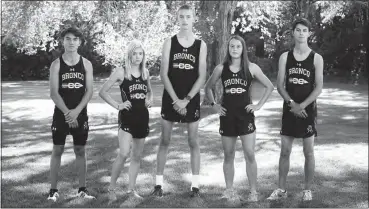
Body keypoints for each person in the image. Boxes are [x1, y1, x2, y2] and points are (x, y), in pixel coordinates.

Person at [204, 35, 274, 203]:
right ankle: (229, 190)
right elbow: (208, 87)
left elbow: (270, 86)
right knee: (228, 154)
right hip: (227, 116)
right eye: (231, 46)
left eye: (237, 47)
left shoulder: (251, 67)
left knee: (250, 154)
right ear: (228, 49)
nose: (234, 49)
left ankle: (253, 192)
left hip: (245, 116)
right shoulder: (221, 69)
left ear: (243, 49)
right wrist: (214, 105)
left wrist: (257, 106)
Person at [151, 4, 207, 198]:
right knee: (165, 140)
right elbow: (163, 73)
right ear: (177, 19)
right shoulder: (169, 42)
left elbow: (201, 76)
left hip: (190, 98)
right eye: (181, 16)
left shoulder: (201, 45)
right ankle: (158, 184)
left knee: (193, 141)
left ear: (193, 19)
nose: (184, 20)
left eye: (188, 17)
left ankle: (195, 186)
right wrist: (176, 100)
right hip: (171, 98)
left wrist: (187, 100)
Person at [267, 18, 323, 202]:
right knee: (284, 151)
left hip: (307, 111)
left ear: (309, 33)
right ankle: (281, 189)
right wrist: (292, 104)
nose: (301, 33)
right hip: (290, 109)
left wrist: (302, 106)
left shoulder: (316, 58)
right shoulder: (285, 57)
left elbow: (318, 88)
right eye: (297, 30)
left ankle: (307, 190)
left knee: (308, 152)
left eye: (304, 30)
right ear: (293, 32)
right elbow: (280, 85)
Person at [99, 40, 153, 206]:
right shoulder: (121, 72)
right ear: (129, 55)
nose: (137, 57)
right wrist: (118, 105)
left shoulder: (145, 72)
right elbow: (102, 92)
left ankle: (131, 189)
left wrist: (149, 100)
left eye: (140, 53)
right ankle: (112, 189)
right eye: (134, 53)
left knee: (136, 156)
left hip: (142, 118)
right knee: (123, 153)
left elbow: (150, 92)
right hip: (127, 118)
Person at [48, 27, 95, 201]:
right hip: (61, 114)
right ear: (63, 41)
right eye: (68, 39)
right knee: (58, 149)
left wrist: (76, 112)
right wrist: (68, 113)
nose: (71, 42)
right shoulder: (56, 64)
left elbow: (89, 91)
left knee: (80, 150)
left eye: (75, 39)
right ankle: (53, 191)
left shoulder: (87, 64)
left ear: (80, 42)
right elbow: (54, 93)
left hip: (80, 113)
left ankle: (82, 189)